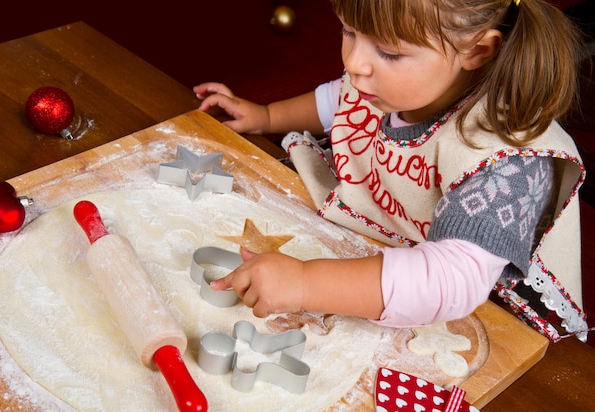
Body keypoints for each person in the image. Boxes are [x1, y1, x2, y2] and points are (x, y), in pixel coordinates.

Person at [193, 0, 590, 341]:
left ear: (477, 51)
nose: (354, 61)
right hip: (384, 244)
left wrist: (300, 283)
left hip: (462, 312)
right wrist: (265, 117)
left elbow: (450, 282)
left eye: (389, 52)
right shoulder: (390, 82)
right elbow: (341, 100)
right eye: (348, 31)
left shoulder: (509, 162)